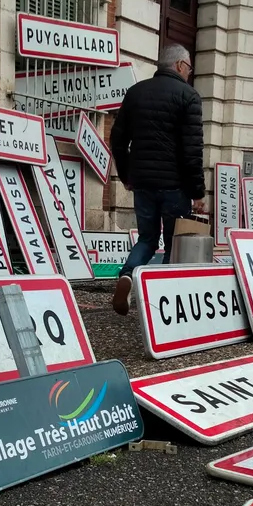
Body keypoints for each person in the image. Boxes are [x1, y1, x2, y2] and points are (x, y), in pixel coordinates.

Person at [109, 43, 206, 315]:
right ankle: (162, 303)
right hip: (175, 186)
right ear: (178, 65)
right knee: (174, 243)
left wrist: (128, 175)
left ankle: (127, 275)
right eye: (188, 67)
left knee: (147, 239)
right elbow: (192, 150)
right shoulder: (189, 96)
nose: (189, 72)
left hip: (143, 183)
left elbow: (118, 140)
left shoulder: (135, 93)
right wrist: (197, 192)